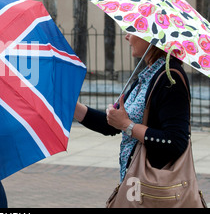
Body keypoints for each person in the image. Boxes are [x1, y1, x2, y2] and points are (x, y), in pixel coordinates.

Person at [74, 33, 190, 183]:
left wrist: (127, 125)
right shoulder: (148, 74)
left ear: (151, 37)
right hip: (134, 184)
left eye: (133, 31)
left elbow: (176, 142)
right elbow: (110, 125)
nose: (126, 36)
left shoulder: (170, 78)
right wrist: (69, 104)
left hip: (155, 188)